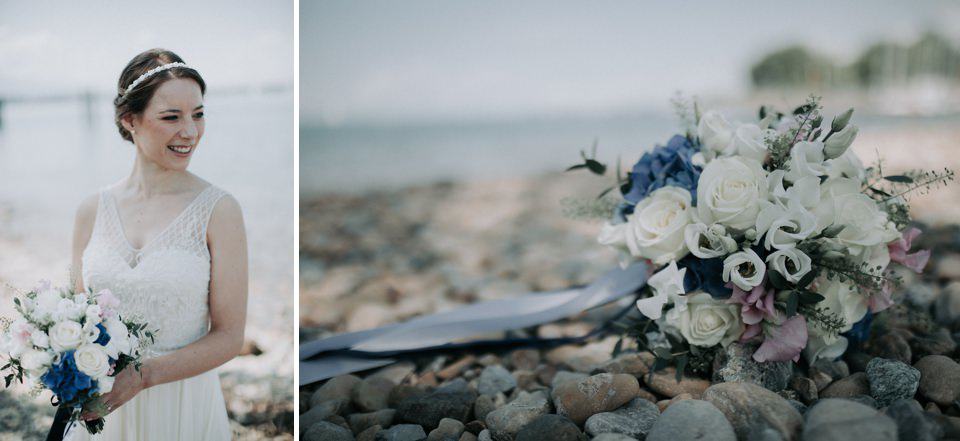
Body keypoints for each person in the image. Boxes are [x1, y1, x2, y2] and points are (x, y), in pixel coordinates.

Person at [63, 48, 247, 440]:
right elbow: (74, 321)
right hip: (102, 409)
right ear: (129, 120)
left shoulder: (220, 210)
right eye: (171, 117)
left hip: (182, 405)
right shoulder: (90, 211)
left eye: (198, 114)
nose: (190, 132)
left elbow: (230, 336)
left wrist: (145, 375)